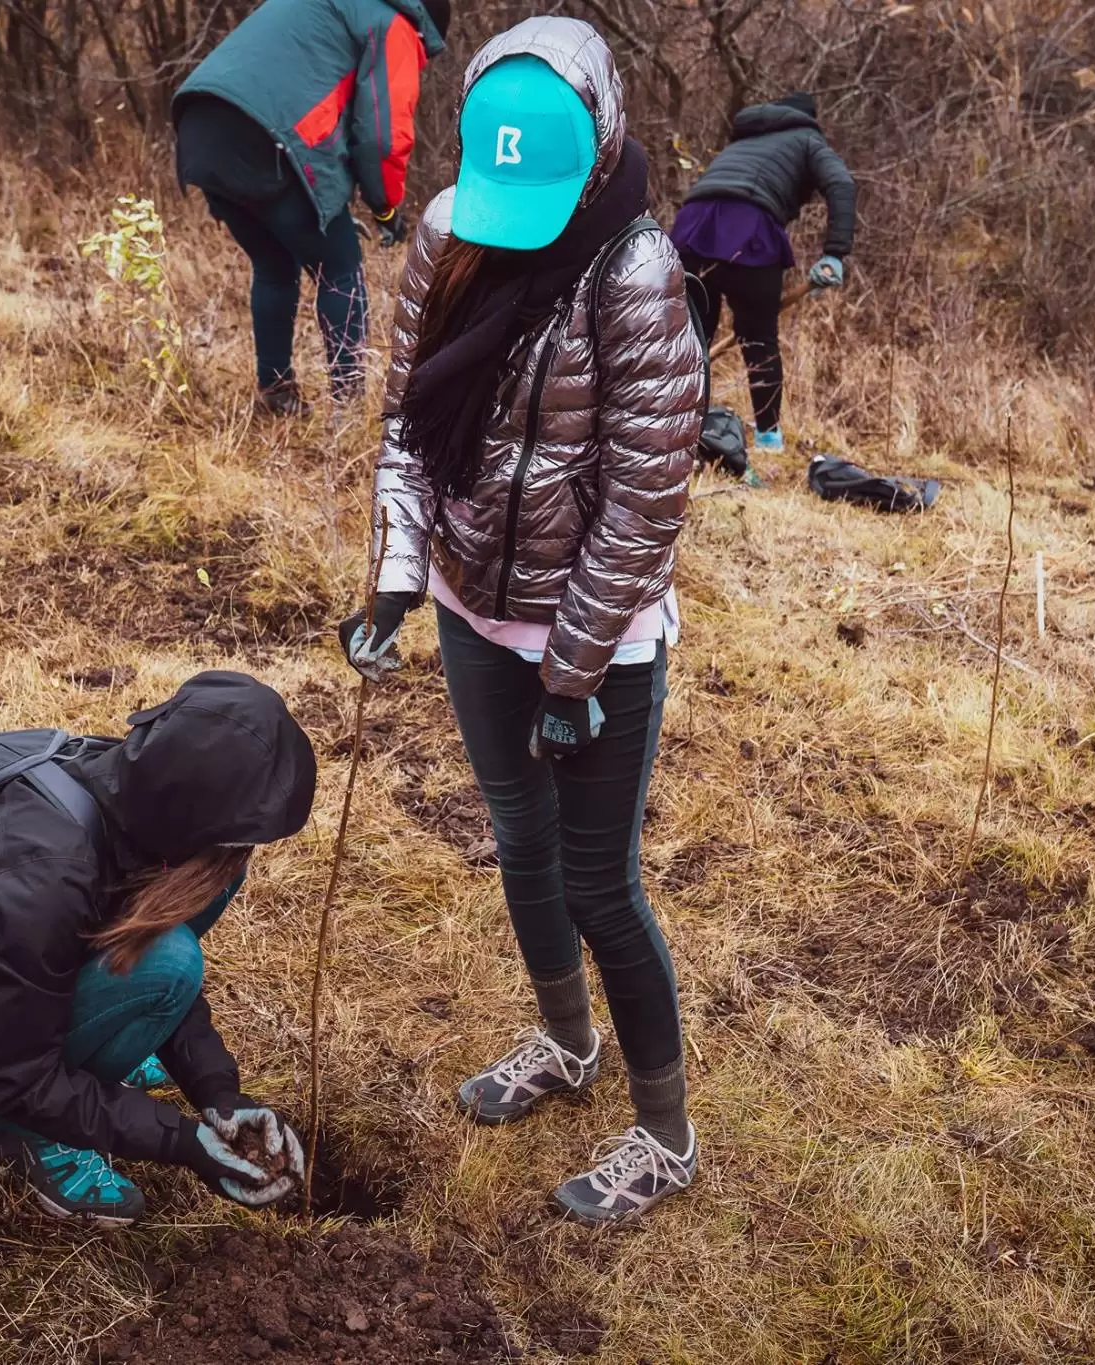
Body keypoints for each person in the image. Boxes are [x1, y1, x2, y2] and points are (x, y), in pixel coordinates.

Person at [338, 17, 704, 1224]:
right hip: (466, 604)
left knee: (601, 885)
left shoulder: (637, 277)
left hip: (588, 639)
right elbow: (404, 421)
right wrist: (399, 571)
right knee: (516, 841)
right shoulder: (448, 229)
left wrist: (571, 667)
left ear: (594, 156)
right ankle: (565, 1044)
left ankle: (663, 1135)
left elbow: (645, 500)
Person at [0, 672, 317, 1222]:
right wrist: (183, 1142)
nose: (244, 857)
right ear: (195, 825)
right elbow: (18, 1080)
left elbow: (129, 938)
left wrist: (219, 1095)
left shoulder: (126, 787)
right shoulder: (46, 878)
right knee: (171, 963)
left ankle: (101, 1049)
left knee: (179, 935)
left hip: (0, 1008)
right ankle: (25, 1140)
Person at [173, 0, 449, 415]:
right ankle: (349, 410)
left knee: (274, 266)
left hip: (200, 126)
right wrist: (386, 207)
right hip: (268, 139)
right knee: (340, 269)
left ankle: (276, 396)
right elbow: (381, 137)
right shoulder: (393, 24)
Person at [670, 92, 855, 456]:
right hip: (749, 229)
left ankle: (678, 429)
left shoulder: (743, 141)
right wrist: (834, 254)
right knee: (758, 339)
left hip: (691, 227)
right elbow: (842, 183)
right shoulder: (807, 138)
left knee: (690, 338)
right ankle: (768, 438)